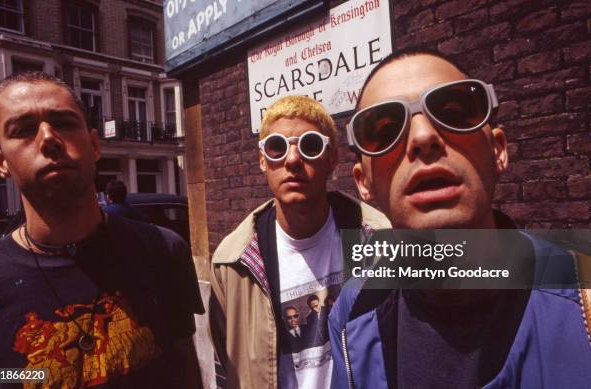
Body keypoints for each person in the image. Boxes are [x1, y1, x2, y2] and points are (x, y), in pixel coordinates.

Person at [328, 48, 591, 388]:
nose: (423, 138)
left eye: (453, 111)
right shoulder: (351, 313)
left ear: (498, 150)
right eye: (384, 129)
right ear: (364, 183)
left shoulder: (583, 304)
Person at [0, 72, 205, 388]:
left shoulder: (163, 251)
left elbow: (183, 367)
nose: (48, 138)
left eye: (65, 123)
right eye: (24, 130)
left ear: (95, 145)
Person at [209, 96, 390, 389]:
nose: (292, 160)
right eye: (277, 147)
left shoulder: (379, 237)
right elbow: (224, 369)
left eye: (310, 145)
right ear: (263, 161)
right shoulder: (232, 264)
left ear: (332, 160)